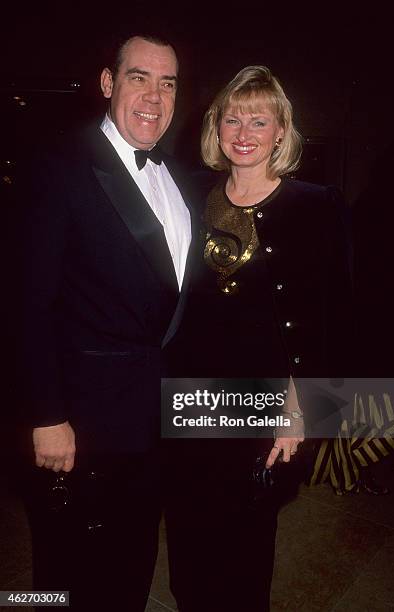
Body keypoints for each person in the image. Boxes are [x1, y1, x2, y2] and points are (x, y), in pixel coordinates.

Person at [15, 34, 195, 611]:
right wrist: (46, 415)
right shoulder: (59, 165)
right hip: (81, 422)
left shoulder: (182, 178)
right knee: (66, 577)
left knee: (131, 562)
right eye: (139, 77)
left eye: (167, 83)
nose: (154, 95)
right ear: (107, 84)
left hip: (152, 421)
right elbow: (26, 302)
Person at [168, 65, 352, 612]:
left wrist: (304, 408)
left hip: (264, 402)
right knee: (188, 534)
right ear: (215, 128)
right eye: (232, 119)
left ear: (281, 131)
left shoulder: (317, 205)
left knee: (245, 543)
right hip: (189, 397)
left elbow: (335, 319)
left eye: (259, 119)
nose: (243, 132)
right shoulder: (189, 191)